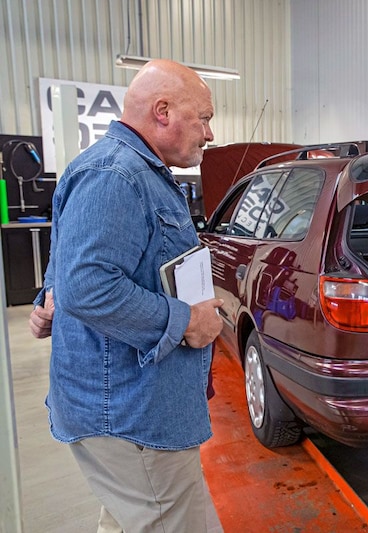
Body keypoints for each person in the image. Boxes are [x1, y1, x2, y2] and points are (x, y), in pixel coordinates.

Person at [28, 59, 225, 532]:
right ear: (163, 112)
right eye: (204, 117)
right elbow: (89, 285)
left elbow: (72, 266)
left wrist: (48, 300)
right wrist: (186, 322)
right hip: (131, 416)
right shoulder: (118, 176)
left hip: (129, 408)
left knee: (126, 520)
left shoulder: (131, 172)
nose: (210, 133)